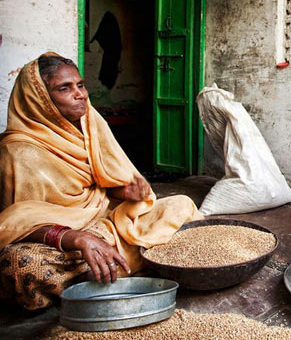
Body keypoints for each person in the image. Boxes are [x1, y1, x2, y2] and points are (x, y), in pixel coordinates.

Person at [0, 53, 202, 310]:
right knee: (19, 265)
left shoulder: (90, 124)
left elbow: (101, 190)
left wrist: (126, 193)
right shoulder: (18, 150)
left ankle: (102, 271)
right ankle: (130, 263)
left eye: (80, 85)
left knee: (181, 205)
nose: (80, 94)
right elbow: (16, 225)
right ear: (39, 99)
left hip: (105, 224)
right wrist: (77, 239)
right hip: (59, 241)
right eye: (65, 88)